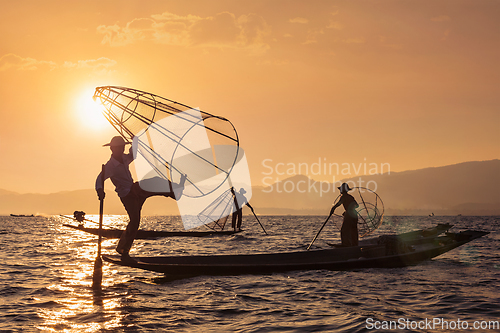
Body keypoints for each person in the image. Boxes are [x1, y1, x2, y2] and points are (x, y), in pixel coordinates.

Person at [95, 136, 186, 262]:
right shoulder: (110, 166)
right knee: (135, 221)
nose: (121, 149)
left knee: (154, 182)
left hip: (134, 189)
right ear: (112, 149)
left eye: (122, 147)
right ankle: (123, 250)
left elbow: (133, 154)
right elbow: (99, 179)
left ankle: (175, 191)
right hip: (127, 196)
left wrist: (135, 141)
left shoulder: (124, 158)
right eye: (118, 148)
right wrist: (100, 190)